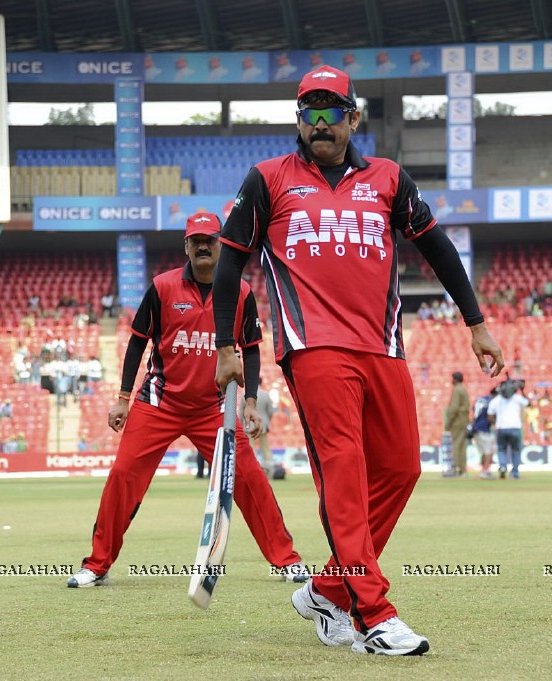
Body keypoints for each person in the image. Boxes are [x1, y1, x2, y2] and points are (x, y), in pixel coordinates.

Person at [212, 65, 505, 656]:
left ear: (353, 117)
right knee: (344, 474)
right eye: (309, 112)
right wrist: (225, 348)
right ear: (299, 120)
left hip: (382, 345)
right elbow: (227, 265)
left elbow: (438, 248)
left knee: (400, 469)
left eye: (332, 110)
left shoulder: (389, 179)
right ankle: (374, 614)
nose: (320, 122)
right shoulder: (267, 179)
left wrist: (476, 323)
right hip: (313, 346)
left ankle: (328, 590)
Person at [67, 213, 308, 589]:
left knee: (249, 478)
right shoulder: (162, 287)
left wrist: (250, 402)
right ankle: (97, 564)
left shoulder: (241, 292)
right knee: (122, 476)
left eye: (209, 239)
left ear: (221, 243)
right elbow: (136, 343)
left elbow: (252, 350)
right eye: (195, 240)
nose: (202, 246)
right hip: (158, 403)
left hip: (212, 409)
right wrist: (123, 399)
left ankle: (286, 560)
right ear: (186, 246)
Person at [488, 379, 528, 479]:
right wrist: (522, 390)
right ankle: (515, 473)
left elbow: (490, 415)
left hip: (501, 428)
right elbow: (527, 403)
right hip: (515, 427)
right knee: (516, 450)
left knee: (501, 449)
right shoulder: (517, 398)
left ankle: (502, 467)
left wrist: (494, 423)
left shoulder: (496, 400)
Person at [242, 378, 277, 477]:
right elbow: (270, 411)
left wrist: (242, 425)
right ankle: (270, 471)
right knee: (265, 448)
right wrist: (266, 421)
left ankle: (253, 471)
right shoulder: (265, 395)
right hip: (263, 425)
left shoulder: (244, 396)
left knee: (251, 448)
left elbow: (241, 413)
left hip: (249, 425)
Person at [443, 371, 471, 477]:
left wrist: (449, 421)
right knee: (462, 446)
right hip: (463, 420)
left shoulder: (457, 390)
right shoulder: (463, 389)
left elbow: (454, 408)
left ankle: (455, 469)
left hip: (457, 421)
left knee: (456, 445)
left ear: (455, 379)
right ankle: (462, 470)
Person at [471, 386, 498, 479]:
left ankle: (483, 470)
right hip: (484, 429)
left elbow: (474, 410)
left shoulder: (481, 399)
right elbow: (490, 416)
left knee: (484, 452)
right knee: (490, 451)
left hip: (476, 428)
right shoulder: (492, 402)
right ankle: (485, 471)